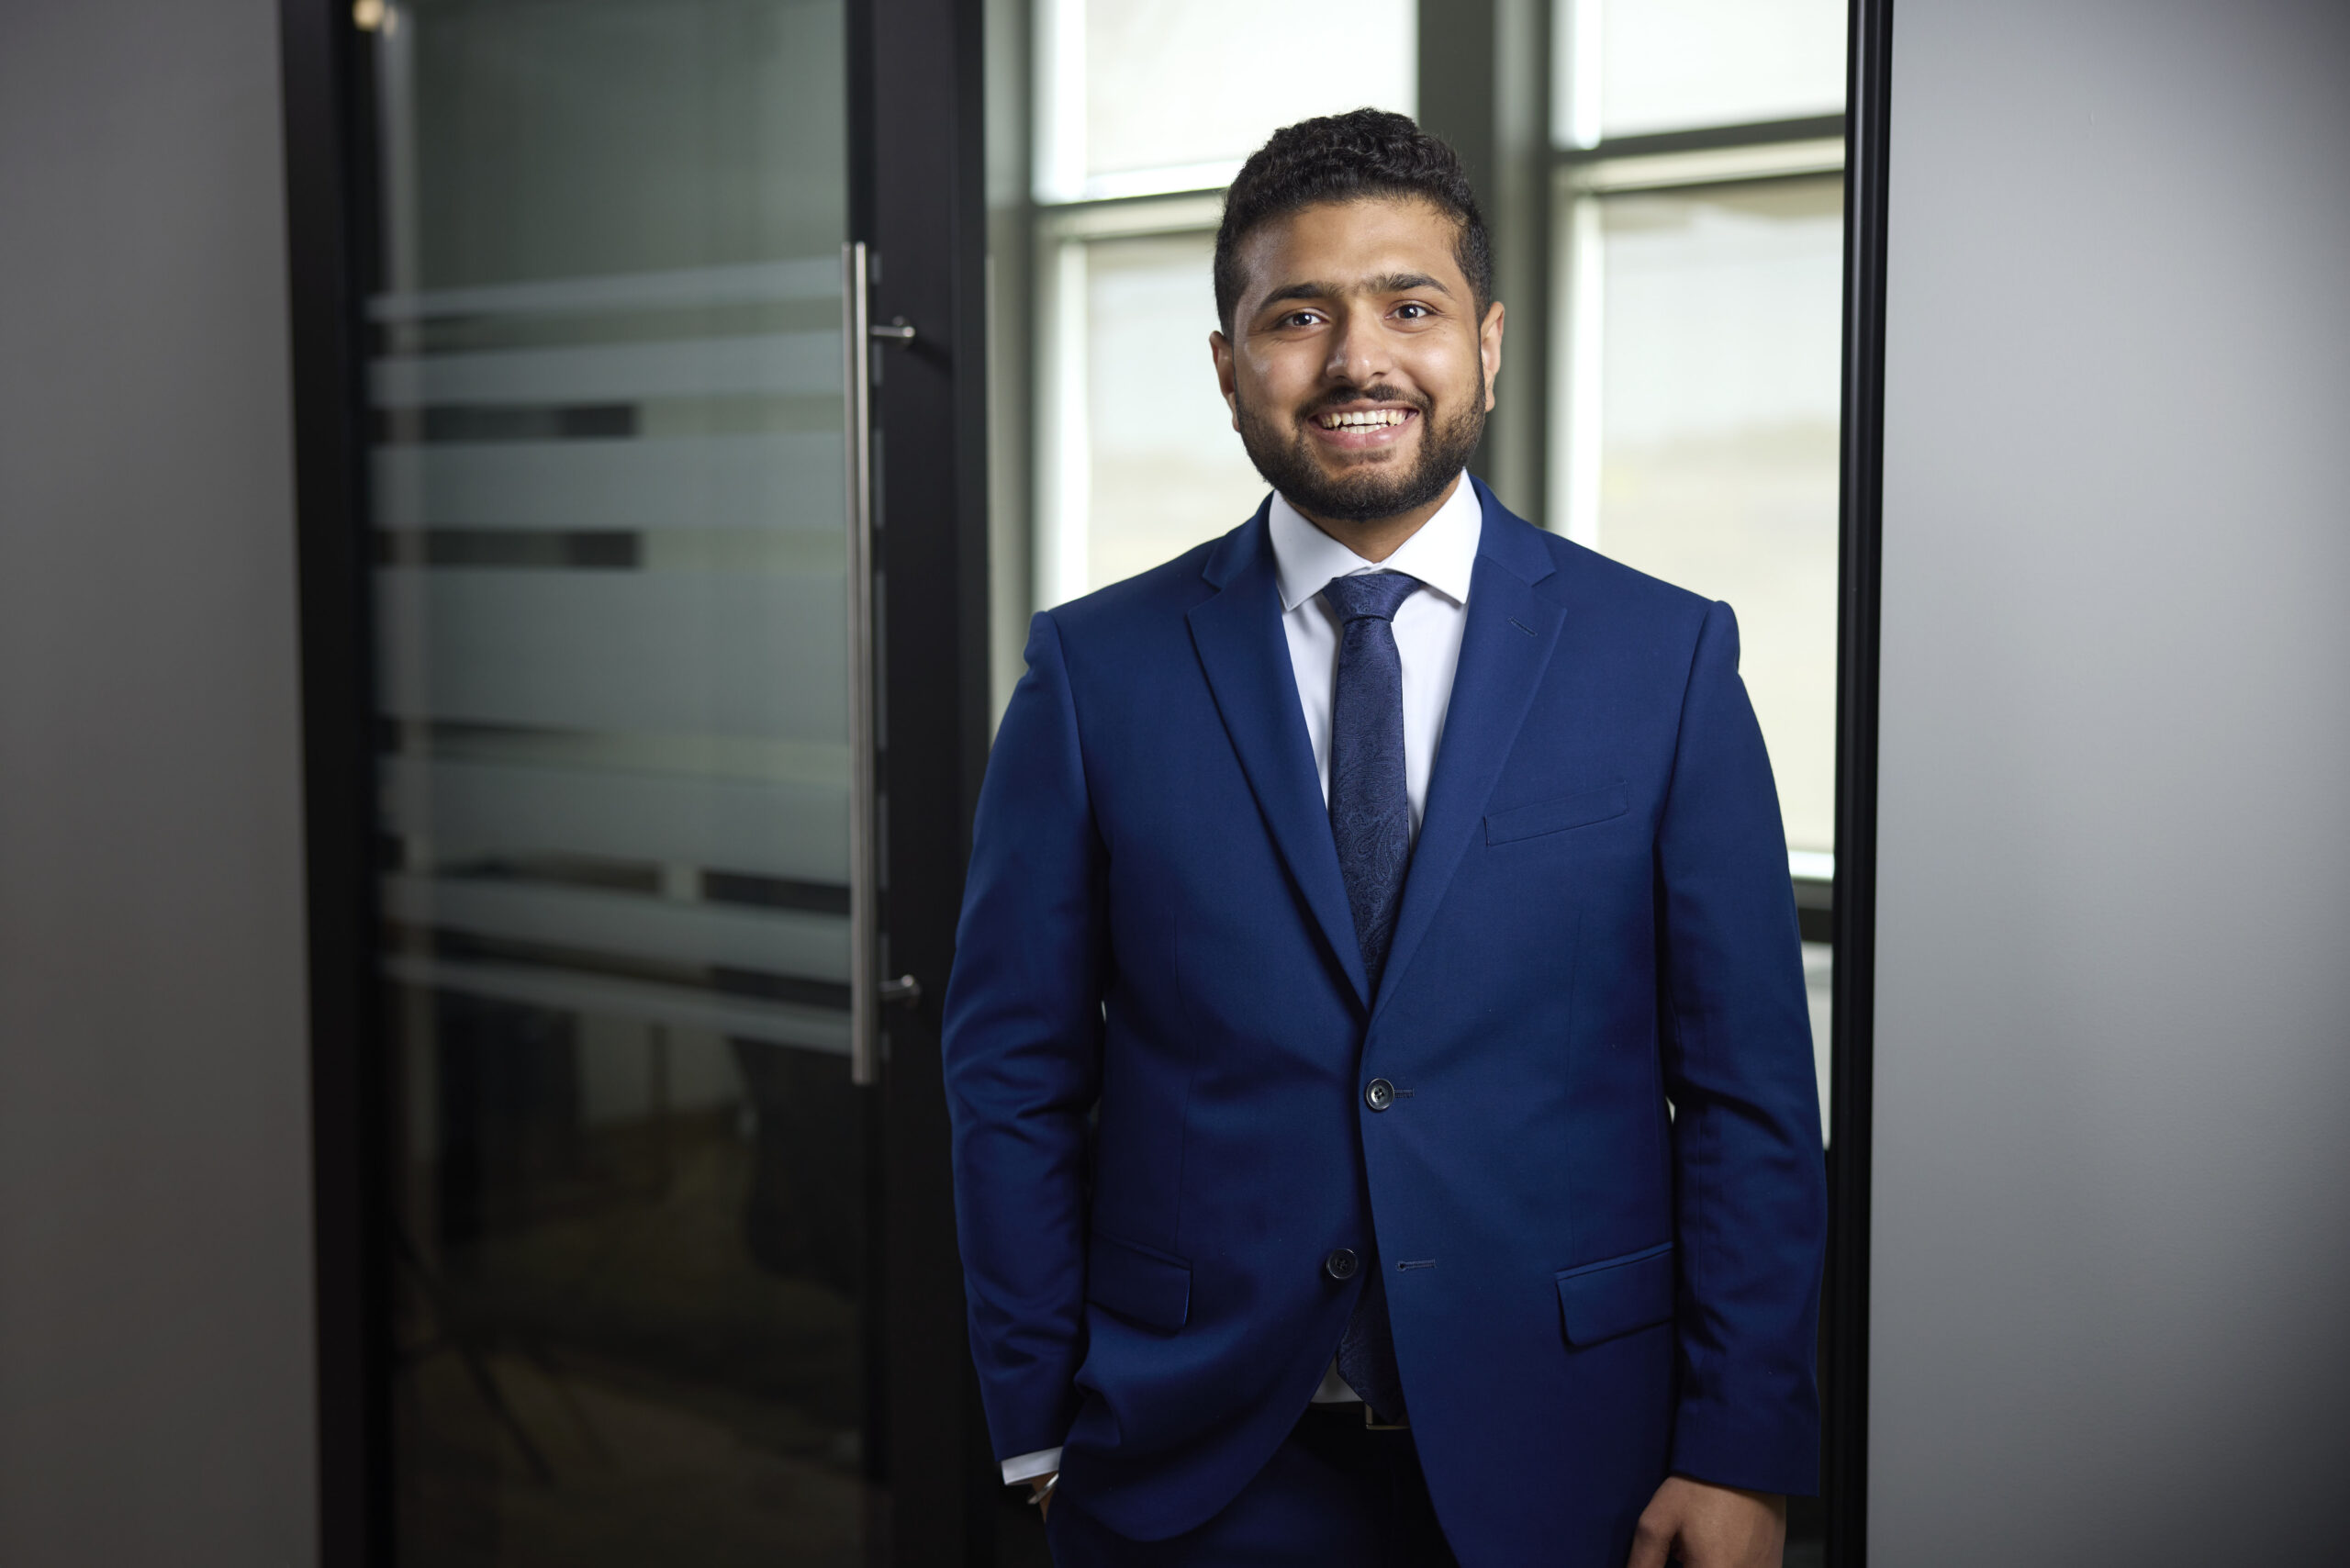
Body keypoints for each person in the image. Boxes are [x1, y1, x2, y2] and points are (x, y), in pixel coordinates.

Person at [943, 108, 1825, 1568]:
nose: (1359, 359)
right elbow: (1012, 1078)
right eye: (1299, 315)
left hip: (1581, 1449)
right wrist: (1040, 1429)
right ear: (1231, 369)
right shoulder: (1094, 676)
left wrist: (1741, 1444)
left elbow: (1746, 1098)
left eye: (1410, 307)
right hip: (1191, 1461)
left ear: (1486, 342)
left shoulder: (1663, 660)